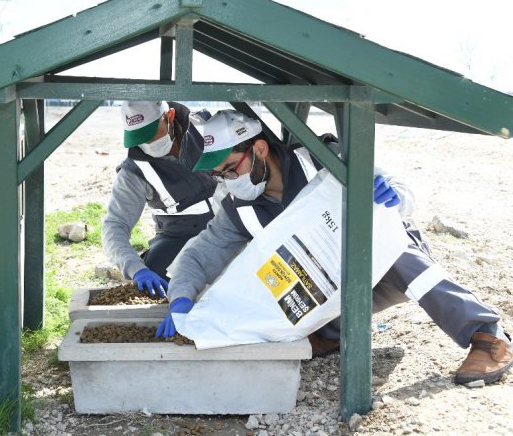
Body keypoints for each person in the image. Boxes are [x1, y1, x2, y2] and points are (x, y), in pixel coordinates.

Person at [157, 109, 512, 385]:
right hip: (334, 286)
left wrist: (392, 193)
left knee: (387, 248)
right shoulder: (240, 210)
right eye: (219, 176)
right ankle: (329, 334)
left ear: (259, 148)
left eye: (230, 169)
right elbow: (199, 255)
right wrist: (182, 299)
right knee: (276, 280)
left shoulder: (320, 159)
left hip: (389, 266)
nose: (227, 181)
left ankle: (487, 336)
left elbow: (402, 191)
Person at [101, 101, 218, 299]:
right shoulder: (134, 172)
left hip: (232, 225)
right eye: (139, 138)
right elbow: (115, 225)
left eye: (152, 134)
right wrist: (136, 269)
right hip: (179, 237)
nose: (147, 144)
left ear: (170, 117)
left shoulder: (205, 128)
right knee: (160, 284)